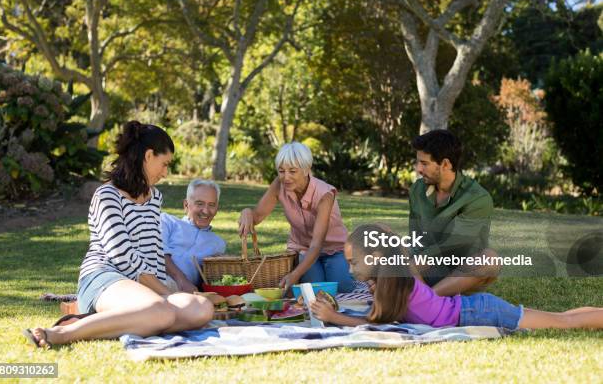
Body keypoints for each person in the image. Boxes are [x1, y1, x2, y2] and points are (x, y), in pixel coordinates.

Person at [23, 121, 213, 348]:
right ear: (149, 155)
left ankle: (116, 320)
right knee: (161, 311)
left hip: (148, 288)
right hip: (104, 277)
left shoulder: (155, 197)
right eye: (164, 164)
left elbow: (153, 252)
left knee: (201, 309)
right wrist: (166, 294)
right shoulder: (107, 196)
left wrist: (172, 289)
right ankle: (63, 332)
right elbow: (122, 255)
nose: (165, 172)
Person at [310, 224, 603, 330]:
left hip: (481, 314)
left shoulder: (392, 280)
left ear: (375, 258)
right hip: (476, 309)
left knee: (564, 323)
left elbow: (375, 323)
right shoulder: (387, 276)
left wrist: (335, 318)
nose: (350, 270)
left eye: (353, 263)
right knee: (562, 316)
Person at [237, 142, 354, 293]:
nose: (286, 177)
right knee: (313, 291)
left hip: (335, 249)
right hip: (303, 249)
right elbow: (257, 216)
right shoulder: (279, 185)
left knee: (343, 288)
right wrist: (246, 212)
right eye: (281, 171)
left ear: (306, 170)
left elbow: (317, 244)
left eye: (292, 171)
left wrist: (295, 274)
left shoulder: (325, 194)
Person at [409, 129, 500, 296]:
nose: (418, 169)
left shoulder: (477, 198)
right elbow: (416, 240)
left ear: (445, 164)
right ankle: (420, 296)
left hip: (459, 275)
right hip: (424, 268)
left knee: (490, 260)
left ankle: (429, 300)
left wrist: (410, 268)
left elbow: (450, 248)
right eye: (418, 162)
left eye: (424, 163)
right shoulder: (417, 190)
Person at [162, 179, 226, 292]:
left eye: (211, 205)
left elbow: (212, 279)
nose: (206, 211)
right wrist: (181, 280)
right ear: (186, 205)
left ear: (217, 208)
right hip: (156, 280)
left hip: (187, 294)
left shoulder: (218, 244)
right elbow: (158, 252)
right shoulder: (168, 221)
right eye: (200, 204)